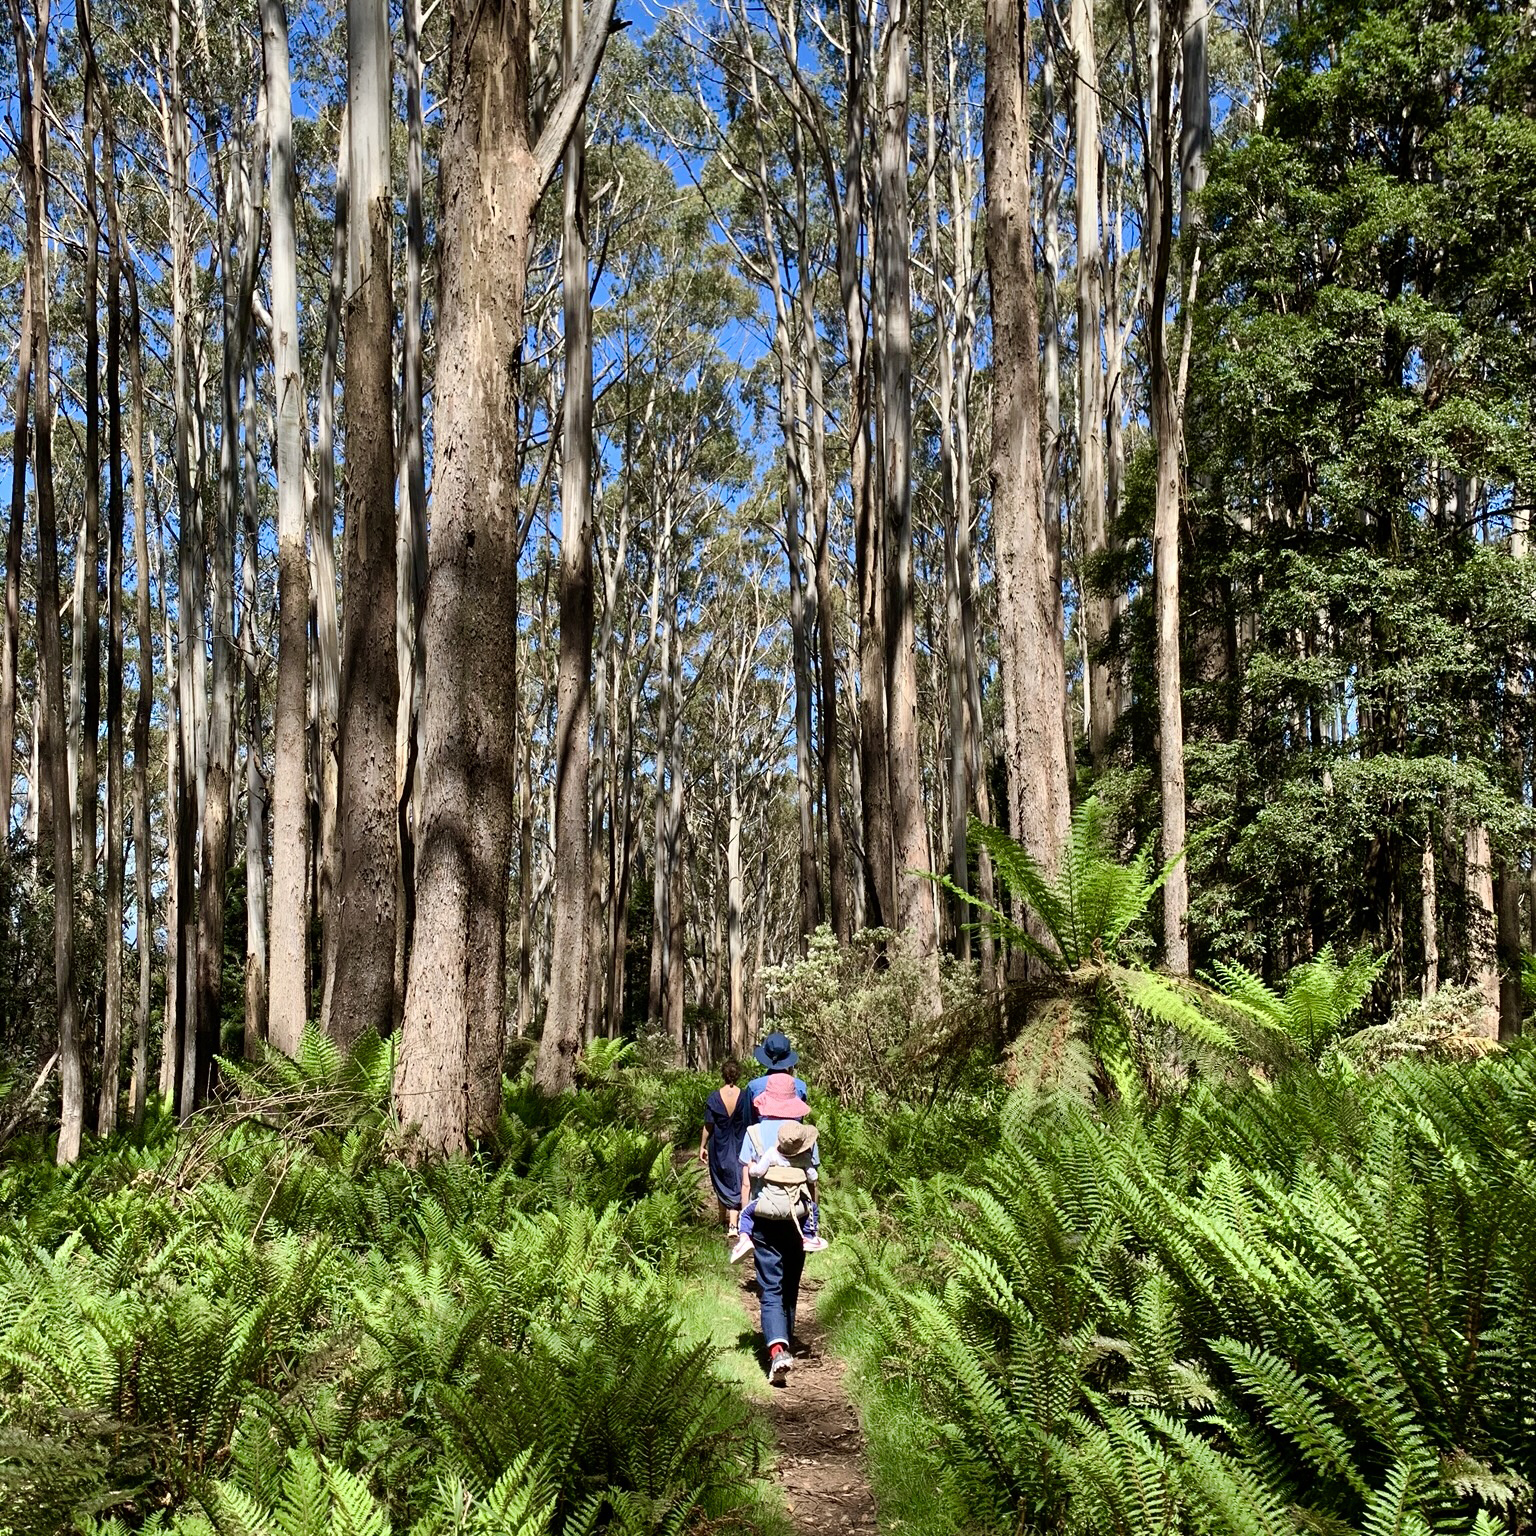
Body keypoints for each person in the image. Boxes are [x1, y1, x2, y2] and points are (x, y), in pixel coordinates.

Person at [740, 1071, 819, 1385]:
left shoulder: (754, 1134)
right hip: (797, 1219)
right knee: (790, 1284)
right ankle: (784, 1338)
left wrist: (742, 1224)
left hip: (764, 1219)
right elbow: (814, 1183)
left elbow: (748, 1180)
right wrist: (813, 1221)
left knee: (770, 1286)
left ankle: (777, 1349)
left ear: (765, 1102)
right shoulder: (803, 1135)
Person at [730, 1119, 826, 1262]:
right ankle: (809, 1237)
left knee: (745, 1213)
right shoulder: (805, 1158)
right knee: (813, 1208)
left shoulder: (771, 1154)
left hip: (768, 1204)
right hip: (797, 1206)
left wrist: (751, 1165)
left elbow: (757, 1172)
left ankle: (744, 1238)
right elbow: (813, 1177)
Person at [699, 1060, 750, 1236]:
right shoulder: (745, 1096)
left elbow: (708, 1124)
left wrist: (702, 1146)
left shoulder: (714, 1097)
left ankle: (731, 1223)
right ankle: (725, 1220)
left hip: (718, 1144)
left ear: (723, 1074)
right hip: (739, 1144)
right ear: (738, 1075)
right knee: (737, 1178)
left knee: (721, 1176)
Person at [746, 1032, 808, 1125]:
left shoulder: (754, 1087)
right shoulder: (800, 1086)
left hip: (762, 1137)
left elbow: (749, 1120)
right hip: (793, 1137)